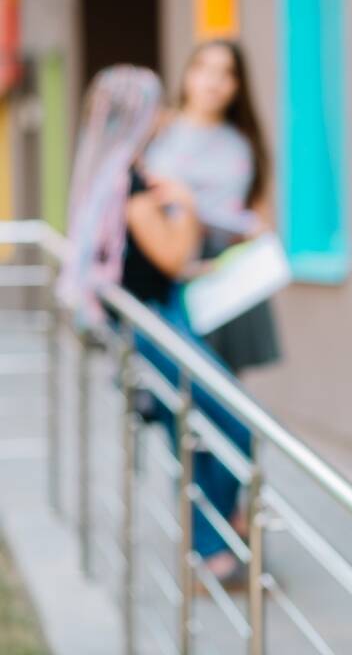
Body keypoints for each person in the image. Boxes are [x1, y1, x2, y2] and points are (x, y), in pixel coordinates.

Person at [59, 65, 250, 587]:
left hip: (147, 323)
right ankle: (215, 544)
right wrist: (185, 205)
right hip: (153, 327)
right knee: (236, 423)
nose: (165, 115)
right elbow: (171, 255)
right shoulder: (136, 183)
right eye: (158, 105)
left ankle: (212, 547)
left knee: (192, 436)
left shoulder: (110, 176)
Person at [143, 38, 280, 375]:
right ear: (188, 74)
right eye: (203, 68)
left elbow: (258, 211)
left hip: (228, 277)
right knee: (172, 386)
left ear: (238, 84)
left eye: (226, 73)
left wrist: (254, 234)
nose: (212, 81)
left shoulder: (244, 140)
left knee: (224, 388)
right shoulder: (158, 131)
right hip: (170, 270)